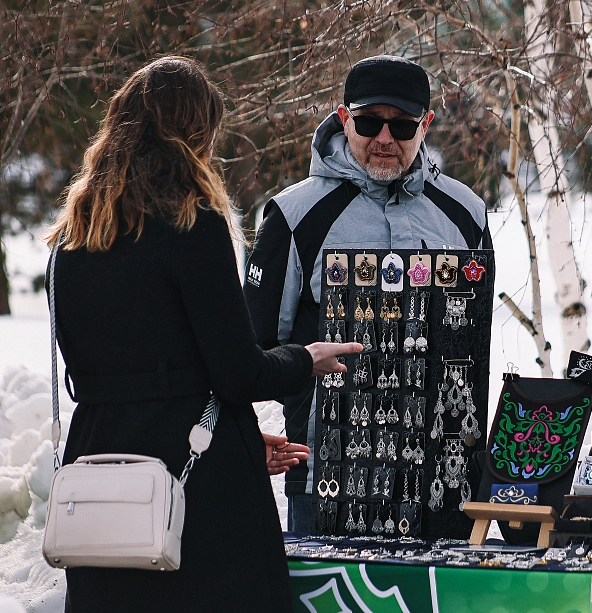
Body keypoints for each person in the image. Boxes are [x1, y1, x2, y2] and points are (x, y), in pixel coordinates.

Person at [44, 56, 362, 613]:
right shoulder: (192, 223)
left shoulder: (74, 235)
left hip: (100, 480)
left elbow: (125, 377)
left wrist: (235, 443)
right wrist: (302, 359)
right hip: (195, 497)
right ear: (195, 135)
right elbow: (238, 371)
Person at [243, 55, 492, 532]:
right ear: (343, 118)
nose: (384, 137)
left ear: (427, 126)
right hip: (328, 478)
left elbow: (473, 340)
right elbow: (248, 351)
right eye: (369, 121)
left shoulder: (465, 213)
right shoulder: (295, 216)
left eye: (401, 126)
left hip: (443, 479)